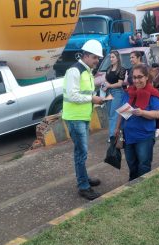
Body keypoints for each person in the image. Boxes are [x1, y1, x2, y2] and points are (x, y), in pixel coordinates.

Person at [62, 39, 104, 200]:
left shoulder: (86, 71)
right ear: (86, 56)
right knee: (81, 153)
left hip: (82, 117)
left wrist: (95, 99)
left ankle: (84, 179)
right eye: (95, 57)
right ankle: (83, 186)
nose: (97, 61)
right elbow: (72, 95)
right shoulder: (75, 71)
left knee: (82, 152)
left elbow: (84, 93)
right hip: (75, 118)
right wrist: (92, 99)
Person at [115, 64, 159, 181]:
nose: (137, 80)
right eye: (134, 77)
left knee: (144, 164)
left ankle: (143, 186)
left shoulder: (152, 93)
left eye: (140, 77)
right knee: (131, 164)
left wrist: (142, 113)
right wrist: (116, 129)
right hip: (128, 136)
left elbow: (157, 114)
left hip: (144, 136)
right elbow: (122, 113)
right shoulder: (129, 92)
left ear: (147, 77)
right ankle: (133, 184)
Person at [102, 50, 126, 140]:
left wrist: (109, 85)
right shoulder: (109, 68)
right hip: (109, 92)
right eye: (110, 57)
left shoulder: (122, 69)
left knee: (114, 114)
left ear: (117, 58)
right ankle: (117, 133)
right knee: (109, 113)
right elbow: (106, 80)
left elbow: (120, 84)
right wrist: (105, 86)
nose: (111, 59)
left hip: (117, 92)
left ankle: (112, 136)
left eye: (113, 57)